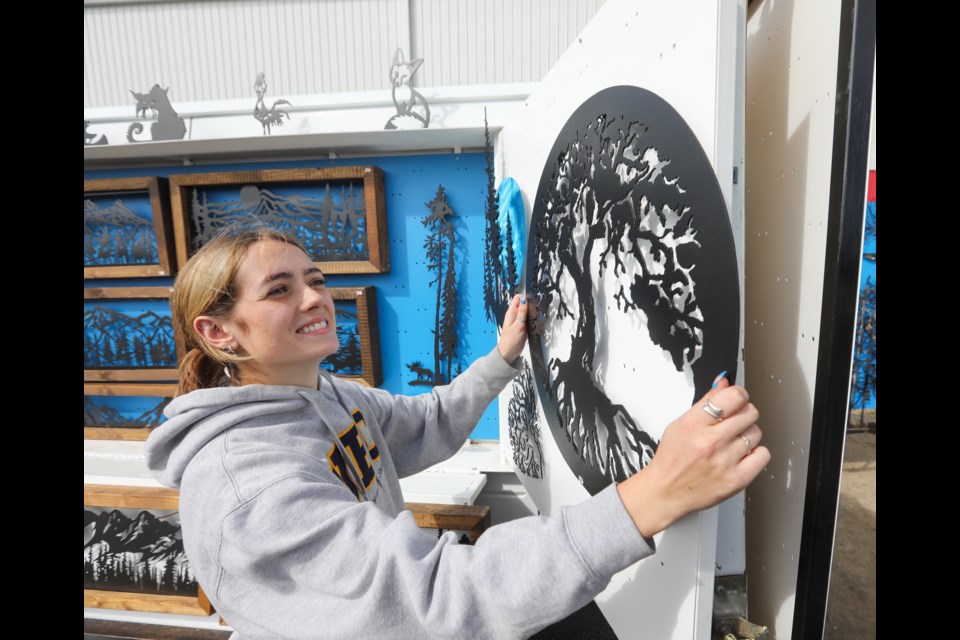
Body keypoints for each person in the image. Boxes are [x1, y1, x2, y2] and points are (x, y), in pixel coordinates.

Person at [145, 225, 769, 640]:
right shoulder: (247, 484)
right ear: (219, 333)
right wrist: (654, 494)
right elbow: (429, 596)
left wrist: (502, 359)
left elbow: (425, 424)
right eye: (280, 290)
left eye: (316, 279)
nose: (314, 298)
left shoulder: (323, 393)